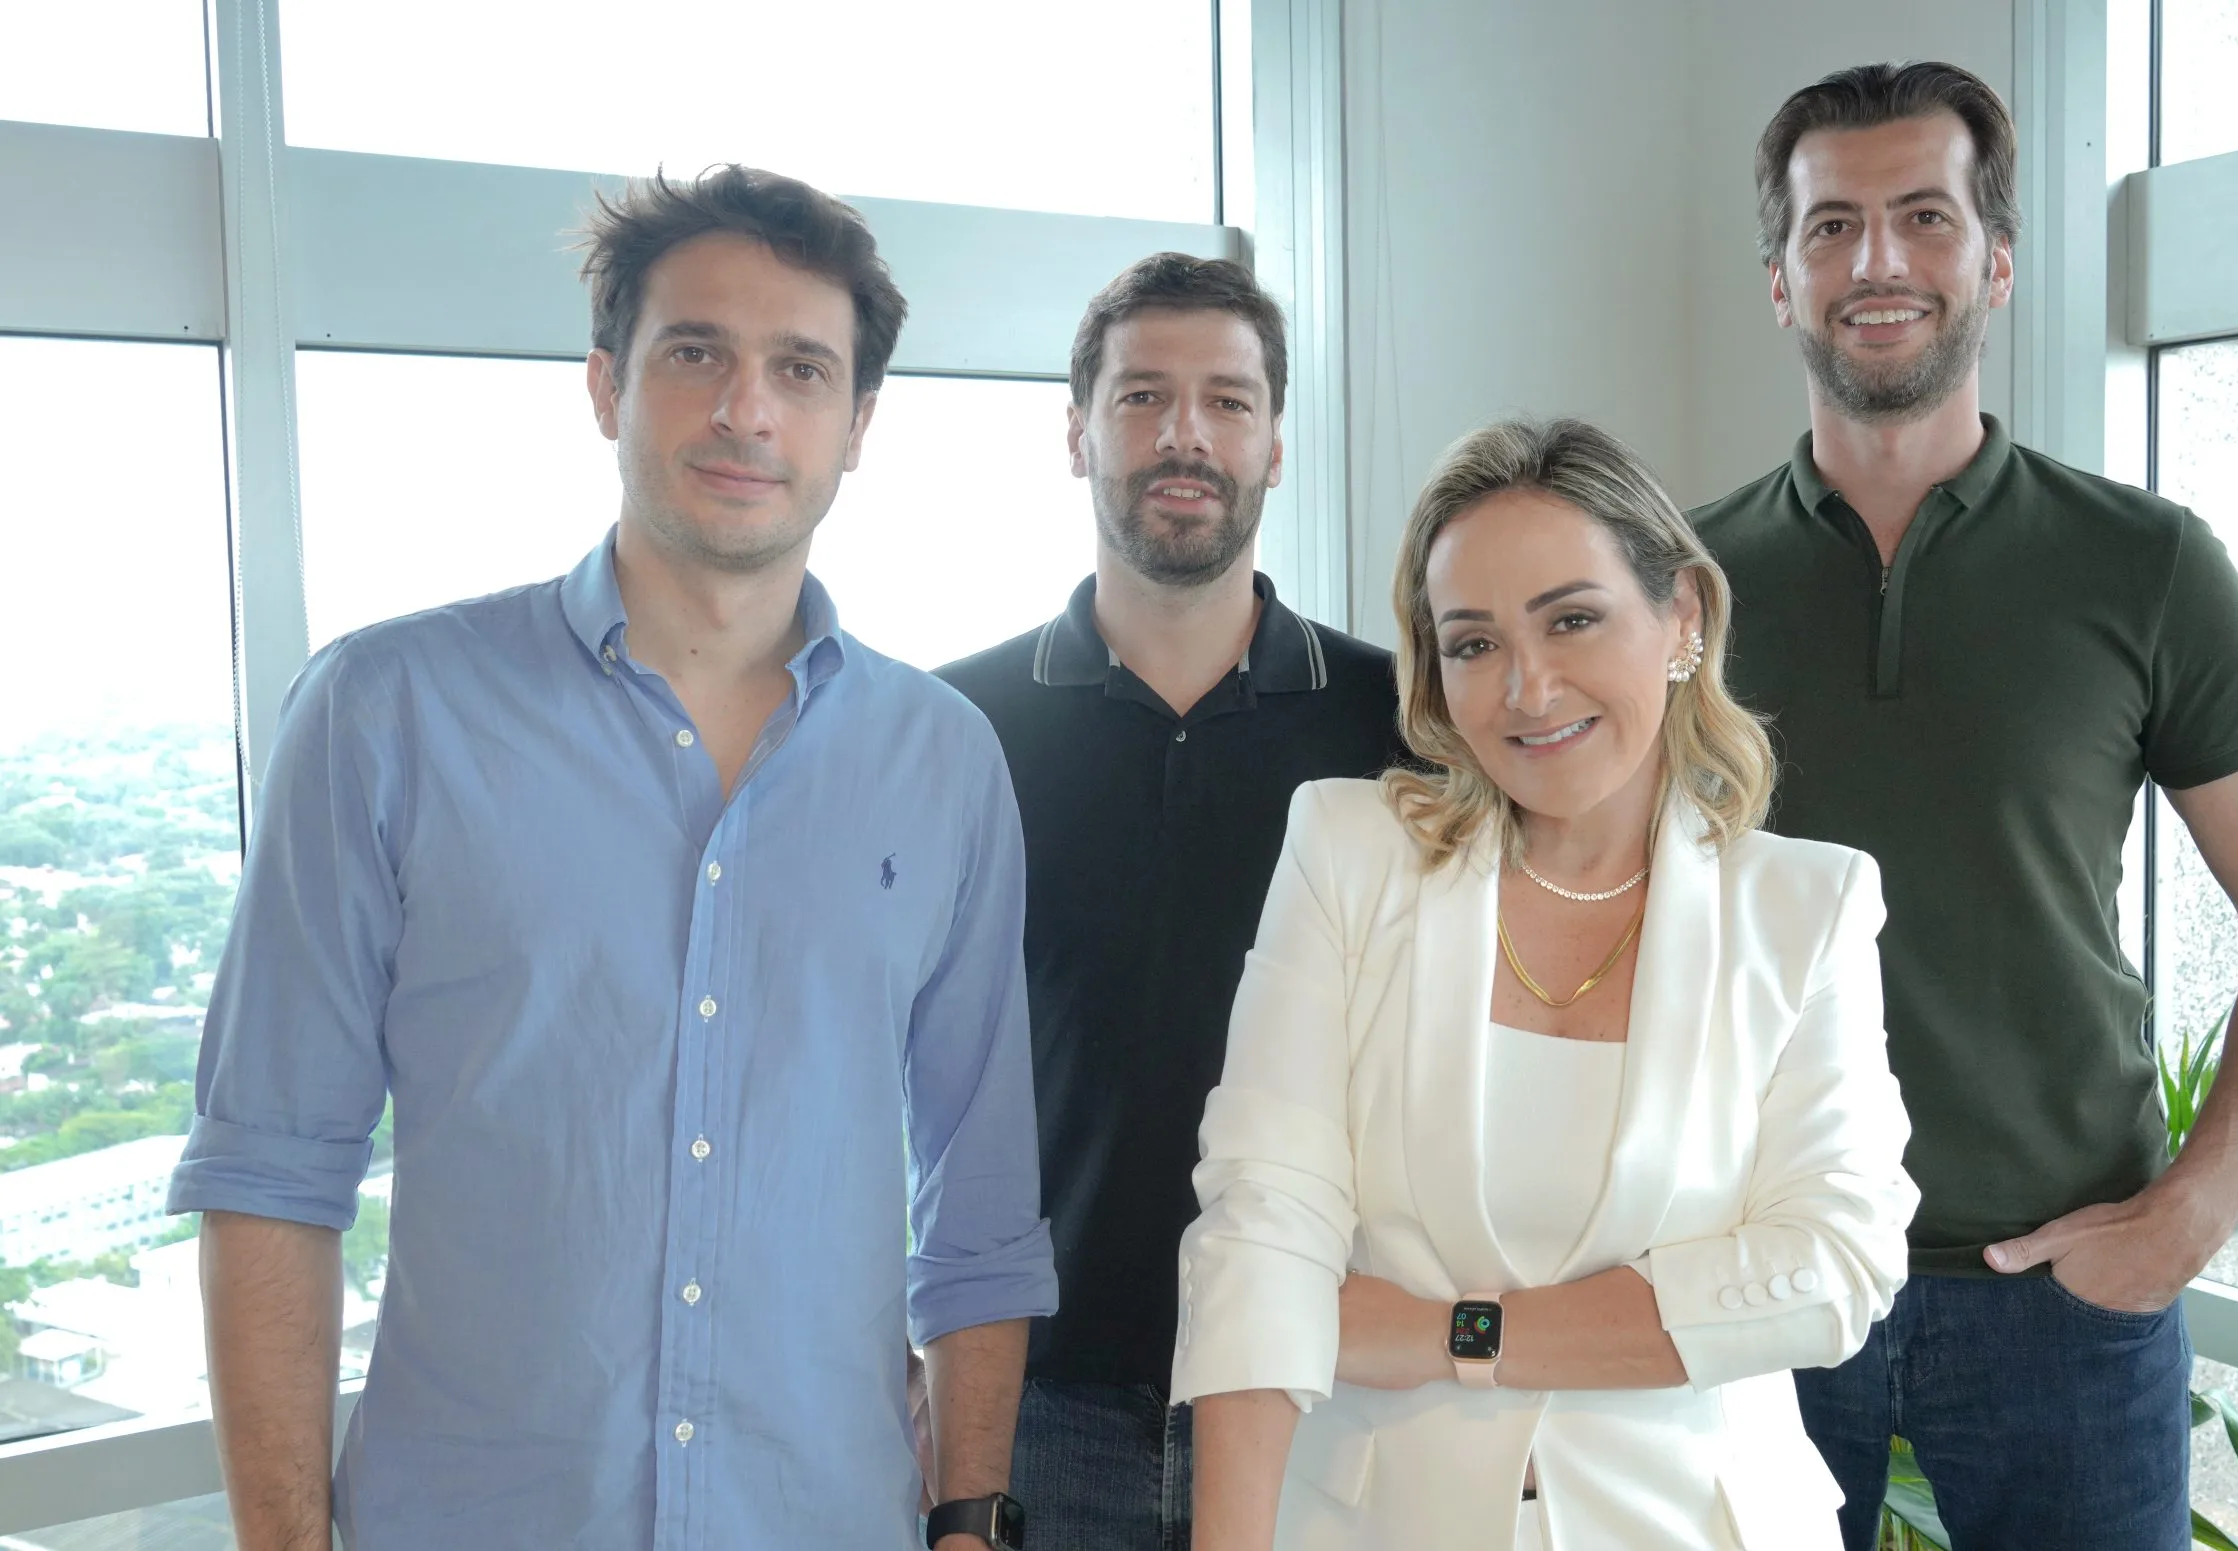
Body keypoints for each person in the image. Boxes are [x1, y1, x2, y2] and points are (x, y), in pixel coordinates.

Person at [168, 165, 1054, 1551]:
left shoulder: (943, 759)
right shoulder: (383, 712)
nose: (746, 408)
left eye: (801, 368)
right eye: (694, 351)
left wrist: (966, 1516)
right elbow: (270, 1171)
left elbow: (980, 1192)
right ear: (606, 385)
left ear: (858, 422)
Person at [1689, 61, 2238, 1549]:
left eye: (1925, 217)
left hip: (2061, 1299)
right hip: (1749, 1273)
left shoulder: (2147, 564)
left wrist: (2194, 1212)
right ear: (1779, 279)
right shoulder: (1675, 584)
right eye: (1833, 228)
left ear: (1995, 260)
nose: (1877, 262)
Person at [1173, 417, 1919, 1550]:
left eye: (1573, 619)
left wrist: (1454, 1336)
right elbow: (1261, 1233)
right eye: (1472, 642)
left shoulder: (1804, 911)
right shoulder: (1346, 850)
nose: (1527, 687)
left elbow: (1833, 1268)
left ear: (1682, 619)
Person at [938, 252, 1404, 1549]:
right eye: (1142, 396)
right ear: (1077, 430)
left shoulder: (1403, 723)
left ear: (1276, 442)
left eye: (1228, 400)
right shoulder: (954, 726)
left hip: (1329, 1382)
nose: (1184, 433)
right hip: (1044, 1404)